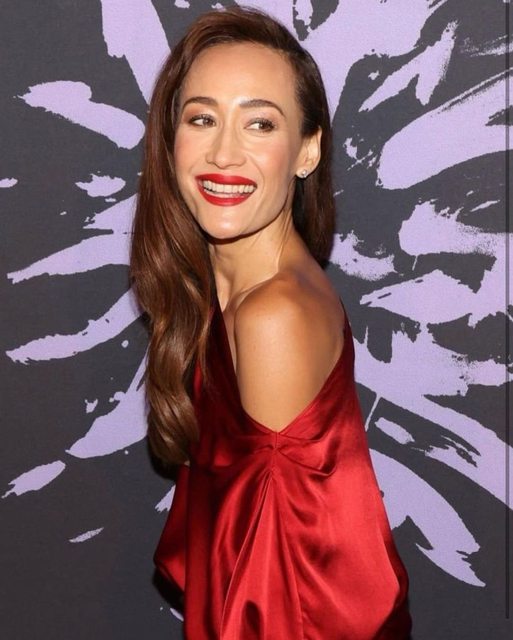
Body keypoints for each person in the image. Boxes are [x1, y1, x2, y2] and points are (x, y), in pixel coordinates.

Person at [130, 6, 412, 639]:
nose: (224, 153)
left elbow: (271, 607)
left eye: (260, 123)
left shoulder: (271, 316)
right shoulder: (230, 292)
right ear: (171, 140)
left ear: (307, 150)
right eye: (202, 119)